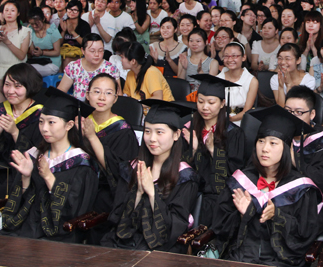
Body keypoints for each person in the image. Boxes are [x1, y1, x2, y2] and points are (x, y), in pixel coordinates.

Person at [209, 105, 322, 266]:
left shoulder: (301, 188)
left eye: (273, 143)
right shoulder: (241, 181)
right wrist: (242, 216)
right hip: (240, 258)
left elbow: (306, 234)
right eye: (261, 141)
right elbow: (219, 227)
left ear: (287, 148)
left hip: (279, 262)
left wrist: (277, 216)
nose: (265, 149)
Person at [1, 88, 99, 242]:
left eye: (51, 122)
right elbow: (20, 204)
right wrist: (26, 177)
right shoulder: (35, 155)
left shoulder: (82, 163)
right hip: (27, 227)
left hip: (58, 234)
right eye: (41, 122)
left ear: (69, 125)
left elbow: (74, 210)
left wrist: (48, 177)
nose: (44, 128)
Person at [100, 100, 199, 251]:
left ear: (176, 134)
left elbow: (175, 228)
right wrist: (138, 194)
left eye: (159, 132)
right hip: (124, 242)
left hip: (160, 249)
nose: (152, 138)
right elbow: (116, 217)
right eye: (147, 131)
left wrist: (152, 194)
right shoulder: (132, 168)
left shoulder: (185, 177)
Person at [79, 73, 139, 243]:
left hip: (106, 193)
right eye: (97, 91)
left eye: (108, 93)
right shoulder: (80, 123)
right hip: (79, 187)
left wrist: (92, 137)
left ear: (115, 98)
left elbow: (119, 174)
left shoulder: (123, 131)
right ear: (87, 94)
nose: (102, 98)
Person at [181, 75, 246, 227]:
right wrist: (193, 150)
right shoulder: (189, 128)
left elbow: (235, 173)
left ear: (222, 103)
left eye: (211, 102)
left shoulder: (234, 134)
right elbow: (178, 167)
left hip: (218, 199)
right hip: (189, 193)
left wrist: (213, 151)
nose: (205, 107)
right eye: (200, 101)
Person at [285, 85, 323, 203]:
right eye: (288, 111)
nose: (292, 116)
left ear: (312, 114)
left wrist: (295, 160)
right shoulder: (279, 133)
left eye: (299, 112)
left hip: (310, 201)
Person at [0, 63, 44, 198]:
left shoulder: (41, 116)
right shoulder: (1, 109)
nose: (10, 91)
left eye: (17, 86)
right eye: (7, 85)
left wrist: (15, 132)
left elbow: (39, 153)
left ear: (30, 86)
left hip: (24, 176)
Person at [58, 34, 120, 101]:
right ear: (83, 51)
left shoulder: (111, 69)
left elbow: (118, 95)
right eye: (92, 51)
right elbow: (61, 91)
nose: (97, 54)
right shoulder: (74, 67)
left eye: (100, 50)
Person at [216, 42, 258, 125]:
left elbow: (247, 110)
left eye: (234, 56)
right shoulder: (218, 78)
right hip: (219, 119)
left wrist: (231, 119)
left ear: (243, 57)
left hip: (241, 121)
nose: (230, 60)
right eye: (226, 56)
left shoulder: (252, 81)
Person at [0, 0, 31, 79]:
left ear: (18, 13)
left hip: (17, 71)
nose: (9, 13)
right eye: (6, 10)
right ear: (2, 13)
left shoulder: (25, 31)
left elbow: (21, 56)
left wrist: (7, 42)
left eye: (12, 10)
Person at [27, 7, 61, 76]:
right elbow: (31, 49)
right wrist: (33, 51)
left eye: (37, 23)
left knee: (29, 70)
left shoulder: (52, 30)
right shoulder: (30, 29)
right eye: (32, 24)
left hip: (51, 63)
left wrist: (42, 53)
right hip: (36, 61)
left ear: (43, 19)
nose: (34, 26)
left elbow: (57, 52)